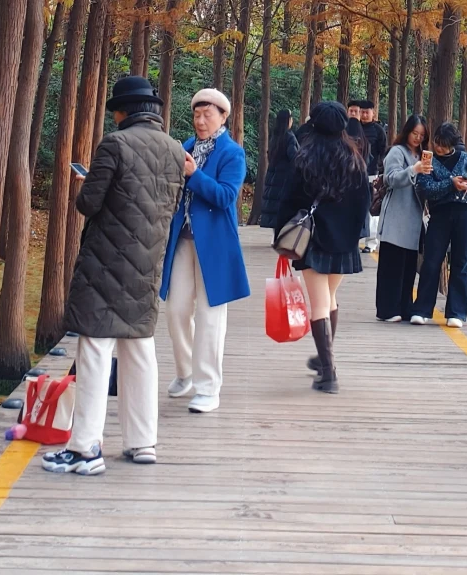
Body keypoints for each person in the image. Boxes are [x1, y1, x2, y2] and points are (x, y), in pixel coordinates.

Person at [43, 75, 186, 475]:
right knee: (140, 351)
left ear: (123, 112)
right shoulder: (175, 149)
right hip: (148, 262)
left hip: (106, 261)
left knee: (95, 349)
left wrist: (90, 180)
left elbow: (88, 204)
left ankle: (85, 448)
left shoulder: (115, 144)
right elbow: (169, 204)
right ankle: (142, 442)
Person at [160, 88, 250, 414]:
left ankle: (208, 387)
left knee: (211, 317)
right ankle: (186, 371)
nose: (200, 121)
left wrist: (194, 175)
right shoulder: (185, 147)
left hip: (215, 244)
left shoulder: (232, 154)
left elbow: (226, 196)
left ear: (223, 117)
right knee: (175, 310)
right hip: (181, 240)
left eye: (207, 115)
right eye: (197, 115)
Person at [275, 100, 370, 393]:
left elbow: (288, 201)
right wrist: (354, 236)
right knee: (329, 298)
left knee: (318, 303)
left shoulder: (304, 159)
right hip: (344, 243)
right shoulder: (355, 160)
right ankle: (323, 357)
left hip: (313, 240)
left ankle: (329, 374)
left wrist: (280, 237)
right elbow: (363, 203)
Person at [410, 121, 467, 328]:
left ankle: (456, 312)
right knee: (431, 261)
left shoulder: (466, 159)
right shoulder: (429, 160)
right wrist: (451, 184)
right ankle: (421, 309)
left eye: (444, 145)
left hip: (465, 214)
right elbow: (425, 188)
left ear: (453, 144)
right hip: (440, 215)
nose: (439, 148)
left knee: (461, 262)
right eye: (437, 143)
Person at [374, 114, 428, 322]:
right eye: (415, 133)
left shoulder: (422, 155)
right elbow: (391, 178)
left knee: (408, 267)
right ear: (407, 131)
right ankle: (387, 309)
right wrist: (413, 170)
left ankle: (405, 306)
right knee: (391, 265)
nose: (417, 138)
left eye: (421, 135)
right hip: (396, 214)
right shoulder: (397, 151)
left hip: (414, 217)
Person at [259, 109, 298, 231]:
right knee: (283, 212)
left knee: (274, 212)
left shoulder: (274, 137)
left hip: (273, 178)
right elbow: (294, 157)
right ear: (288, 120)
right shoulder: (289, 137)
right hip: (284, 179)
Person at [356, 99, 387, 252]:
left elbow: (383, 152)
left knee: (372, 209)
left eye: (367, 112)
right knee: (355, 208)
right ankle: (353, 240)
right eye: (362, 112)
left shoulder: (378, 131)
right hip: (354, 175)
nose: (364, 115)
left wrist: (380, 172)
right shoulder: (354, 128)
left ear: (373, 113)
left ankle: (371, 243)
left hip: (372, 174)